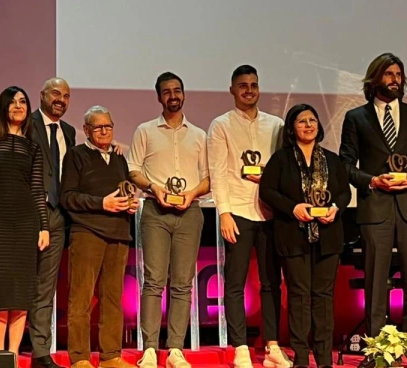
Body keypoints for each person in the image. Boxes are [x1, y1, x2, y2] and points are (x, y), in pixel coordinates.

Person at [339, 53, 407, 368]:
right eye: (389, 74)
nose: (395, 79)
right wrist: (372, 181)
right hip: (375, 209)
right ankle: (376, 351)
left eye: (399, 74)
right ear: (375, 79)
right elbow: (345, 165)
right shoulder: (356, 118)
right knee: (375, 284)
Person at [207, 64, 291, 368]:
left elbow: (284, 169)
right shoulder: (221, 125)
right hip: (238, 212)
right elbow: (217, 172)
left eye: (254, 85)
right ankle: (240, 346)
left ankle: (272, 346)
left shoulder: (276, 125)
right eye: (243, 85)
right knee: (235, 283)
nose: (249, 90)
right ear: (232, 90)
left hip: (270, 213)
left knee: (271, 283)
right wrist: (224, 213)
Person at [127, 71, 210, 368]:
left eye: (177, 91)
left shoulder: (199, 135)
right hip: (155, 211)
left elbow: (208, 179)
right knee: (153, 281)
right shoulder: (145, 131)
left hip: (190, 212)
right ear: (159, 97)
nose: (173, 96)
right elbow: (133, 170)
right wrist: (153, 187)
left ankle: (175, 348)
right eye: (167, 92)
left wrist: (192, 193)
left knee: (183, 284)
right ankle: (150, 348)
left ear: (183, 94)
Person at [259, 104, 351, 368]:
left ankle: (324, 359)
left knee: (323, 297)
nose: (308, 125)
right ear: (292, 128)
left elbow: (344, 192)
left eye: (313, 120)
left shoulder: (332, 159)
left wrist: (336, 208)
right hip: (293, 236)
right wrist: (293, 208)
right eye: (302, 121)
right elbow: (267, 191)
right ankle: (300, 358)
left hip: (328, 237)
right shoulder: (281, 159)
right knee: (299, 296)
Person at [0, 86, 51, 358]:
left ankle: (14, 355)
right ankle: (0, 357)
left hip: (25, 222)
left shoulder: (33, 147)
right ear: (3, 107)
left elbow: (37, 189)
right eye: (13, 102)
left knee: (21, 293)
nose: (18, 106)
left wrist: (44, 226)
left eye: (23, 101)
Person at [60, 105, 137, 368]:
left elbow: (124, 190)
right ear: (86, 130)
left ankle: (110, 356)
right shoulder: (76, 155)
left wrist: (129, 204)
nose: (104, 131)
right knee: (80, 298)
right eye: (98, 127)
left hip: (119, 233)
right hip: (87, 232)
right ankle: (80, 358)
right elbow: (68, 197)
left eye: (108, 126)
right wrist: (102, 203)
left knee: (113, 298)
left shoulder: (119, 157)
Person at [29, 78, 76, 368]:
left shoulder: (69, 132)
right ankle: (6, 349)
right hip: (28, 214)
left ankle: (40, 352)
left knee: (45, 287)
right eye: (56, 94)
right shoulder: (26, 124)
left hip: (58, 216)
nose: (61, 100)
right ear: (42, 95)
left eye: (66, 96)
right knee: (20, 283)